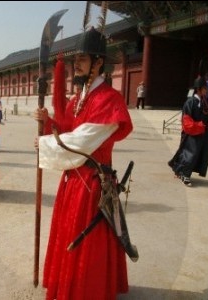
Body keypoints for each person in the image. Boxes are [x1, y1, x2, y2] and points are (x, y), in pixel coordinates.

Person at [34, 26, 133, 299]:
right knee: (70, 237)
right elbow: (68, 130)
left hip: (91, 184)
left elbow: (83, 141)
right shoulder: (80, 98)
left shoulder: (109, 100)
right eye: (75, 59)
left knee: (88, 241)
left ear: (98, 62)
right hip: (74, 181)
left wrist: (46, 144)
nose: (76, 64)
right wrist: (48, 124)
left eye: (83, 59)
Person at [168, 76, 208, 186]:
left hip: (204, 134)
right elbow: (186, 121)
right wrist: (199, 127)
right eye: (205, 88)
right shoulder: (190, 102)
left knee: (200, 154)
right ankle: (185, 175)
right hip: (192, 133)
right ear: (199, 89)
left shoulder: (206, 102)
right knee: (190, 154)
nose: (206, 90)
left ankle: (181, 171)